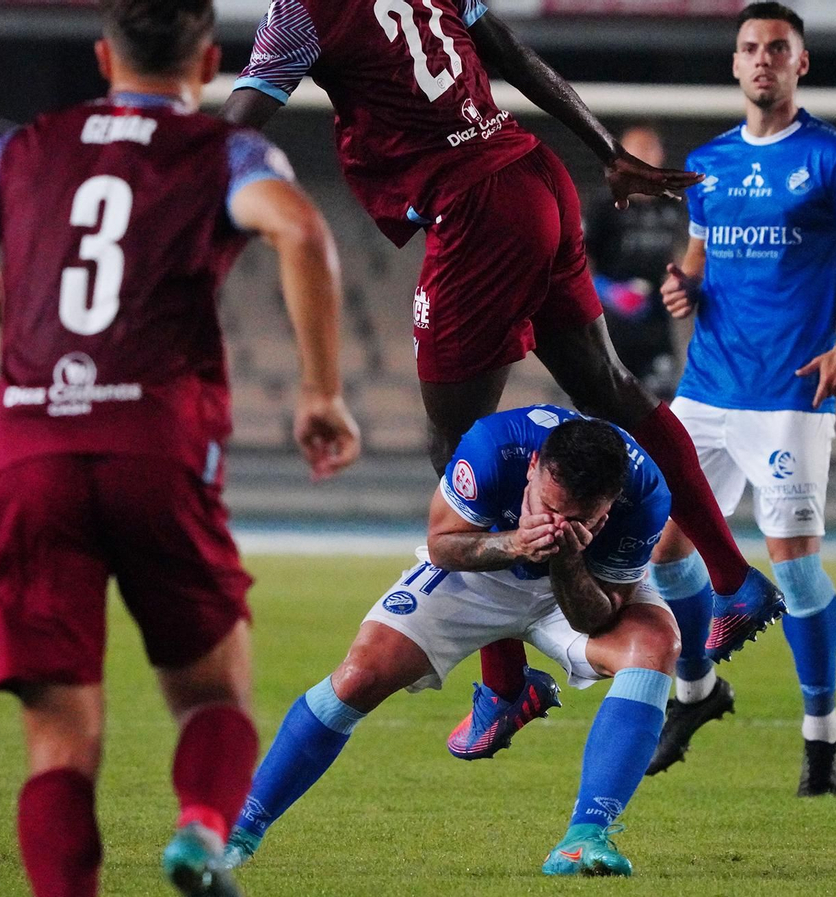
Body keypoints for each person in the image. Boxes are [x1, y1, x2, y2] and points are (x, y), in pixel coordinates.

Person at [0, 0, 362, 891]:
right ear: (208, 63)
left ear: (100, 56)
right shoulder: (227, 152)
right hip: (153, 447)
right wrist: (321, 393)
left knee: (57, 742)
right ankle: (203, 830)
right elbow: (301, 231)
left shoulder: (22, 150)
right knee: (212, 692)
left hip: (28, 458)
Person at [221, 0, 785, 756]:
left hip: (477, 210)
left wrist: (164, 179)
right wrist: (606, 148)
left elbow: (234, 129)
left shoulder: (301, 13)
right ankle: (731, 573)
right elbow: (513, 55)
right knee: (612, 389)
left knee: (455, 448)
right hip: (534, 172)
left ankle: (507, 684)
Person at [221, 409, 677, 877]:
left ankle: (584, 840)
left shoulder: (645, 494)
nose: (557, 522)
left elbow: (596, 617)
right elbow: (443, 546)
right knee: (359, 676)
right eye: (548, 507)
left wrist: (566, 558)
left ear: (611, 502)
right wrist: (518, 544)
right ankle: (240, 829)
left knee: (655, 647)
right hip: (478, 575)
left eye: (578, 518)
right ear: (533, 465)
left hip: (579, 586)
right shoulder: (493, 447)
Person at [647, 2, 836, 796]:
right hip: (707, 390)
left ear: (801, 63)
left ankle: (820, 733)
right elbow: (697, 256)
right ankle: (695, 693)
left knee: (792, 570)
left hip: (790, 394)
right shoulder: (708, 162)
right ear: (734, 64)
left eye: (777, 48)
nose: (763, 59)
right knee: (664, 549)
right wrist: (682, 287)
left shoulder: (834, 159)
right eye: (750, 48)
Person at [583, 125, 685, 400]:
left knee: (662, 402)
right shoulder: (603, 205)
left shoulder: (671, 205)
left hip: (655, 325)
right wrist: (607, 291)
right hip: (610, 325)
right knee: (610, 402)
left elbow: (673, 255)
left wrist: (676, 282)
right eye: (633, 153)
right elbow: (579, 260)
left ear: (660, 156)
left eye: (647, 151)